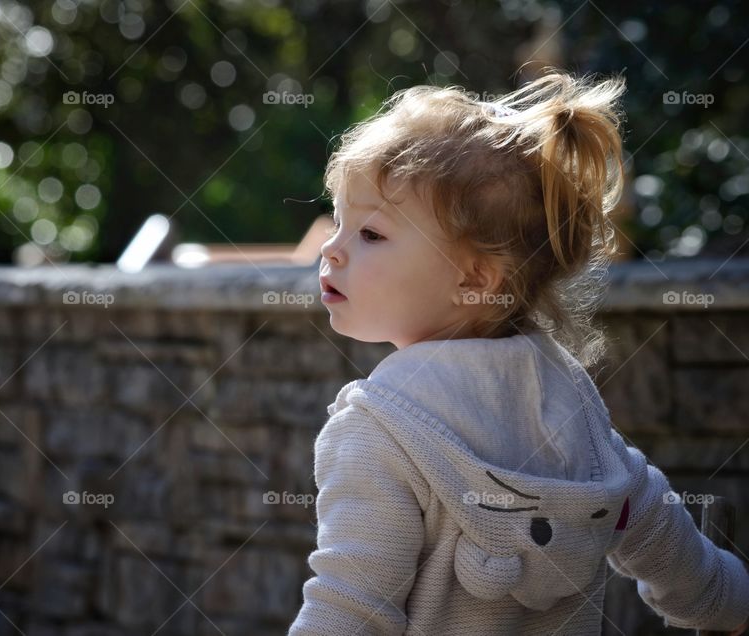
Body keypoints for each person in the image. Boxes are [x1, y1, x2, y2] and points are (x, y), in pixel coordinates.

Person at [290, 69, 749, 635]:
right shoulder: (570, 405)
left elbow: (350, 610)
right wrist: (730, 603)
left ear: (476, 278)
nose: (332, 251)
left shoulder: (379, 428)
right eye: (339, 223)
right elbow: (654, 528)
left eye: (371, 235)